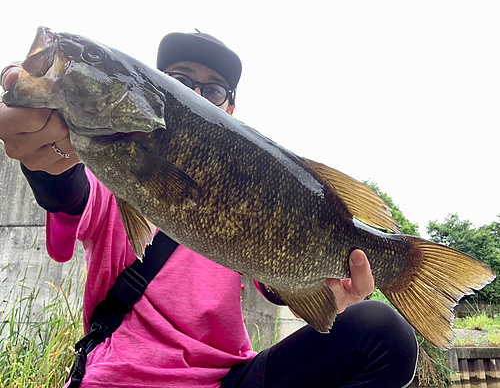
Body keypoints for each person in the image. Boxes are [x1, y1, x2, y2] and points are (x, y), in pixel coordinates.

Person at [0, 31, 418, 388]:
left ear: (230, 110)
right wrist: (43, 161)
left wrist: (328, 286)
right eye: (180, 79)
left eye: (214, 89)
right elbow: (67, 198)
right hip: (121, 375)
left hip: (229, 378)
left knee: (383, 334)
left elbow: (275, 285)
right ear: (156, 87)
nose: (196, 93)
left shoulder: (252, 180)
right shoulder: (107, 170)